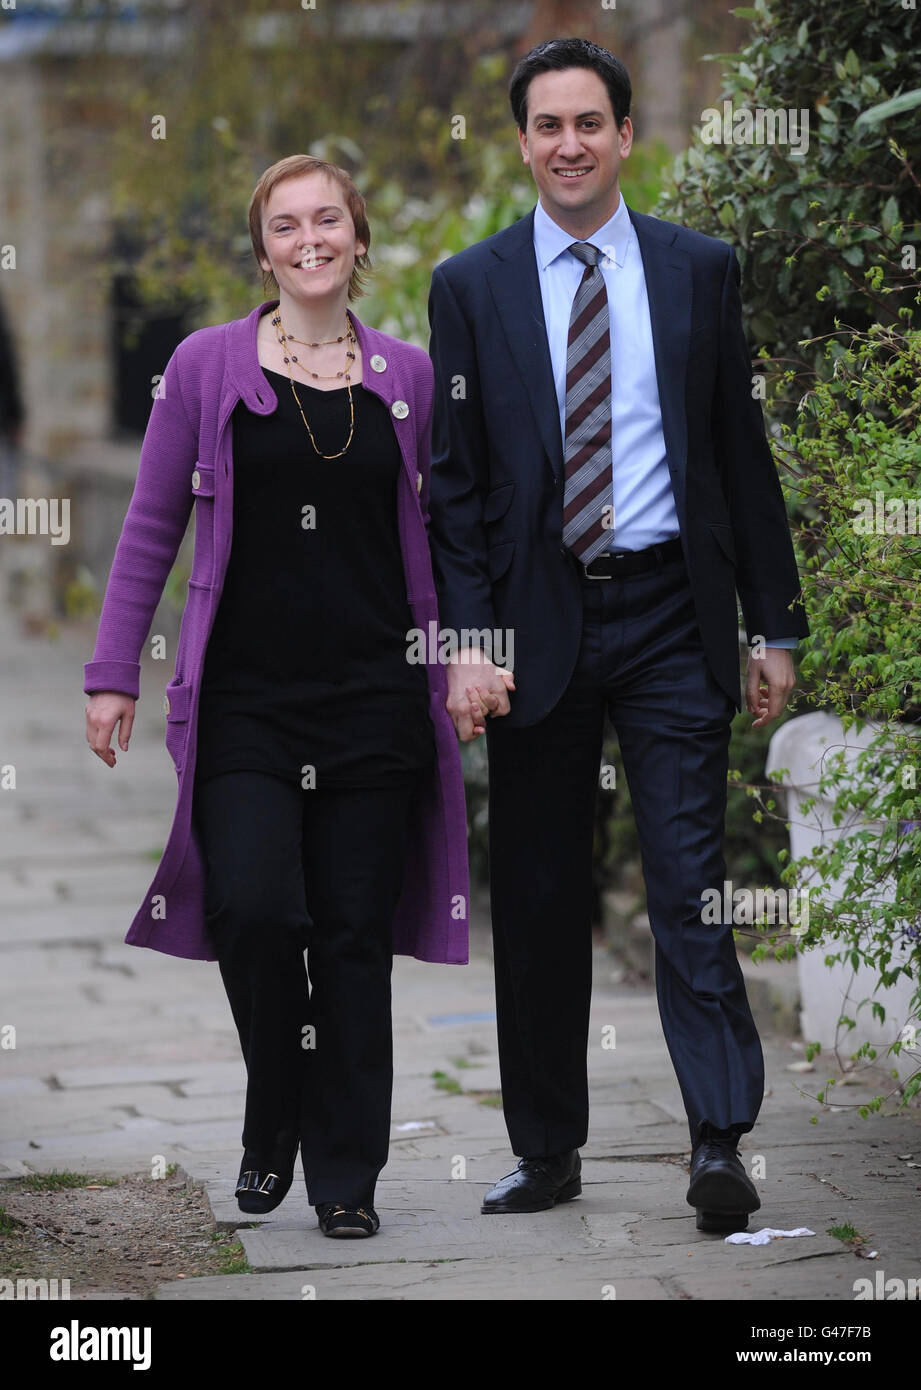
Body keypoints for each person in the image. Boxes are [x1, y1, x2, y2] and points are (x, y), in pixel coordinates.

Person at [426, 39, 808, 1234]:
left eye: (590, 122)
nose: (570, 144)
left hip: (667, 617)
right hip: (534, 624)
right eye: (548, 126)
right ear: (524, 142)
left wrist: (776, 626)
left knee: (693, 883)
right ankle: (546, 1150)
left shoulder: (699, 270)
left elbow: (742, 462)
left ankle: (718, 1141)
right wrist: (470, 643)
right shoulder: (471, 286)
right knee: (540, 894)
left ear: (626, 136)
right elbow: (457, 486)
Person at [84, 154, 469, 1238]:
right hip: (245, 703)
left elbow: (449, 534)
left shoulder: (408, 377)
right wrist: (113, 672)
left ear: (358, 238)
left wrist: (468, 658)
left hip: (376, 700)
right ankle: (275, 1109)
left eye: (329, 220)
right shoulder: (205, 367)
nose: (311, 238)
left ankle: (346, 1174)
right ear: (264, 250)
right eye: (287, 225)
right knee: (254, 905)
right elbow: (152, 525)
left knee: (350, 933)